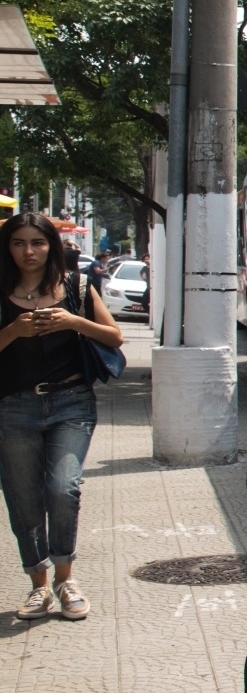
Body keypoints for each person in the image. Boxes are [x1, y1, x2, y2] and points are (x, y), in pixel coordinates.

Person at [0, 212, 123, 620]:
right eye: (19, 243)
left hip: (71, 402)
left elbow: (114, 336)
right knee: (23, 498)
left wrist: (74, 321)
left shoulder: (75, 286)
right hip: (14, 406)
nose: (28, 251)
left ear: (51, 245)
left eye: (37, 242)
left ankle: (66, 578)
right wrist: (13, 331)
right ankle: (39, 584)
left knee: (62, 487)